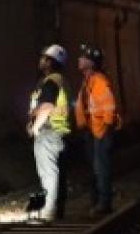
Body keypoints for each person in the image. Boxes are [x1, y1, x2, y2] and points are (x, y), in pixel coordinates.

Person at [75, 44, 120, 217]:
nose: (79, 59)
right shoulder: (88, 81)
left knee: (101, 168)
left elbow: (109, 107)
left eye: (83, 57)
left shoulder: (99, 82)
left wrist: (106, 130)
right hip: (91, 131)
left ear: (91, 63)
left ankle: (104, 204)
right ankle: (96, 202)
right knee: (95, 169)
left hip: (100, 131)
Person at [28, 44, 71, 222]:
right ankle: (56, 211)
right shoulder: (60, 80)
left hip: (49, 132)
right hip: (59, 132)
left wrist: (36, 126)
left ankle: (48, 213)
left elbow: (47, 106)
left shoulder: (51, 81)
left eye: (43, 58)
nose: (40, 61)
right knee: (57, 174)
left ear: (50, 62)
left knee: (49, 173)